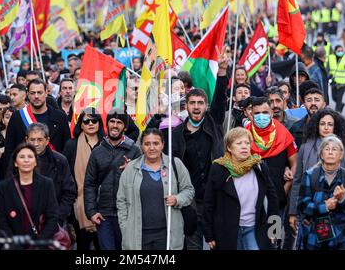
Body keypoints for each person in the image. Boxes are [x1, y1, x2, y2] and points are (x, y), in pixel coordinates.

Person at [171, 51, 229, 250]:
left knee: (217, 243)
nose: (196, 107)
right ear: (186, 106)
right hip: (190, 200)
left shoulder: (214, 124)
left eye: (200, 103)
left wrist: (222, 72)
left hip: (215, 196)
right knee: (193, 245)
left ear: (206, 106)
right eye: (192, 103)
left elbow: (220, 99)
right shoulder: (176, 134)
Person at [117, 128, 194, 250]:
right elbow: (121, 201)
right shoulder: (131, 168)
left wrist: (177, 199)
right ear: (141, 146)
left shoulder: (175, 164)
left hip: (168, 234)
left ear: (163, 144)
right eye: (147, 144)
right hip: (138, 235)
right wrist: (125, 227)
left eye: (156, 143)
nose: (151, 148)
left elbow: (189, 191)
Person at [203, 127, 279, 250]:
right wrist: (209, 234)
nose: (244, 146)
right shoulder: (218, 168)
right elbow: (209, 203)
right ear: (229, 148)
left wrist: (274, 231)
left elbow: (273, 199)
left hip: (255, 228)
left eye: (247, 143)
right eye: (239, 143)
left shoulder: (259, 166)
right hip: (226, 231)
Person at [84, 108, 142, 250]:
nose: (115, 125)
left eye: (119, 122)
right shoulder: (97, 151)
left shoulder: (135, 151)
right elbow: (89, 183)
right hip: (103, 215)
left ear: (125, 127)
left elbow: (143, 181)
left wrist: (132, 169)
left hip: (128, 214)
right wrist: (91, 212)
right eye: (112, 121)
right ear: (107, 124)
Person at [246, 96, 298, 249]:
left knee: (274, 238)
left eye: (265, 112)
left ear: (270, 113)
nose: (261, 116)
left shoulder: (284, 133)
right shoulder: (244, 135)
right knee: (254, 240)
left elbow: (295, 163)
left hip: (277, 200)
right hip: (251, 201)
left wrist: (286, 187)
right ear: (251, 114)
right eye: (257, 113)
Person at [288, 109, 345, 233]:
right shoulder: (305, 147)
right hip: (310, 213)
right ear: (317, 125)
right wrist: (293, 212)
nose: (326, 127)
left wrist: (342, 198)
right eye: (322, 124)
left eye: (330, 124)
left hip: (339, 214)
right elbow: (297, 182)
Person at [0, 143, 59, 245]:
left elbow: (52, 216)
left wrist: (40, 243)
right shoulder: (4, 187)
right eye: (22, 157)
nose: (26, 160)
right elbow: (2, 219)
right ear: (16, 163)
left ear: (35, 162)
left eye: (30, 157)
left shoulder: (46, 184)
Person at [297, 135, 345, 250]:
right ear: (321, 154)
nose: (330, 152)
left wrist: (343, 199)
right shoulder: (310, 175)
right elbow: (302, 205)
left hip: (342, 238)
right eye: (327, 149)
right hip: (314, 237)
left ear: (341, 155)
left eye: (334, 149)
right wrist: (324, 206)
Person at [63, 108, 104, 250]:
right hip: (78, 204)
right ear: (80, 124)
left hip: (105, 205)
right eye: (86, 121)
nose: (90, 123)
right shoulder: (71, 145)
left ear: (100, 123)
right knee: (82, 245)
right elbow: (65, 174)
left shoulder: (107, 144)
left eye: (94, 120)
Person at [5, 79, 71, 168]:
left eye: (39, 93)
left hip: (54, 171)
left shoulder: (60, 117)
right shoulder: (17, 117)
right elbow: (10, 149)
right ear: (27, 94)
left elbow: (66, 148)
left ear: (46, 93)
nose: (36, 96)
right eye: (32, 93)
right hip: (24, 172)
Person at [24, 123, 76, 225]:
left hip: (55, 221)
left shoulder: (60, 161)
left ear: (47, 141)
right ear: (26, 140)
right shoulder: (18, 160)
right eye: (32, 140)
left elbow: (69, 192)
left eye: (40, 140)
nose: (36, 144)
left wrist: (58, 217)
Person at [326, 45, 345, 113]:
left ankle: (337, 113)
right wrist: (328, 76)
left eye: (342, 51)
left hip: (343, 83)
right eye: (339, 51)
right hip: (334, 81)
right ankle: (340, 105)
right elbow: (327, 68)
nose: (340, 52)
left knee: (339, 97)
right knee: (334, 97)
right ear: (335, 51)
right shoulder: (331, 58)